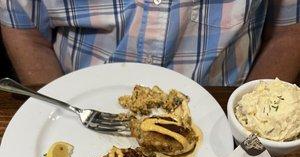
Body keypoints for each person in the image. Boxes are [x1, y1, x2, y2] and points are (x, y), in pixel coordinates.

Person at [0, 0, 299, 87]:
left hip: (220, 117)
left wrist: (248, 130)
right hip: (79, 111)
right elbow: (26, 33)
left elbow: (288, 33)